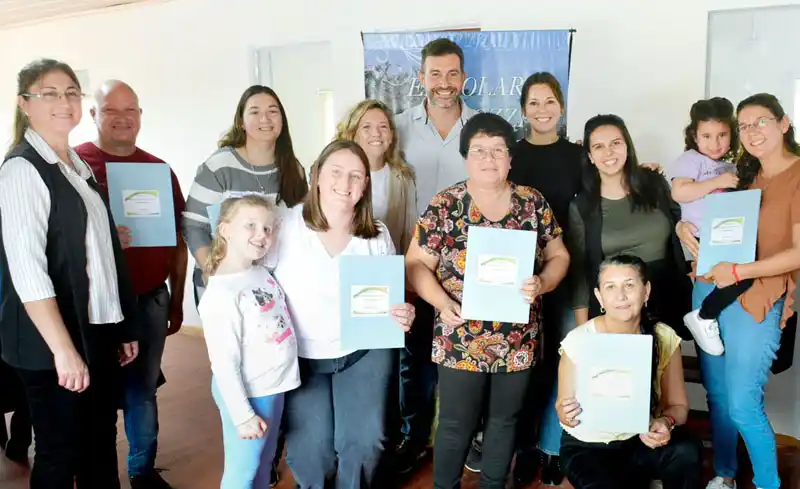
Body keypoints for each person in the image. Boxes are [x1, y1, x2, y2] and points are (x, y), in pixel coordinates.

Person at [406, 112, 570, 489]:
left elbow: (560, 255)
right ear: (466, 156)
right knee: (454, 423)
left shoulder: (532, 203)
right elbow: (416, 264)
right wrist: (440, 302)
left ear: (511, 157)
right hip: (459, 334)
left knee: (506, 420)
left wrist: (543, 282)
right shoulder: (446, 204)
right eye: (479, 149)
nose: (489, 158)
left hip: (517, 336)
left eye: (498, 149)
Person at [0, 58, 139, 489]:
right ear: (26, 104)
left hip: (93, 328)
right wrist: (63, 351)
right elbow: (29, 272)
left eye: (71, 92)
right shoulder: (23, 169)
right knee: (60, 452)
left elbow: (92, 250)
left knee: (98, 440)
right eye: (51, 93)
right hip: (52, 340)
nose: (64, 102)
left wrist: (120, 326)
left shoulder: (75, 165)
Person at [274, 139, 416, 489]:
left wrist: (402, 313)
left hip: (363, 351)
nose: (346, 183)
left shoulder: (376, 235)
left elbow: (389, 299)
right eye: (336, 172)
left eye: (356, 175)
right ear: (317, 176)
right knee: (311, 453)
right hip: (302, 357)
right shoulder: (283, 227)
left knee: (366, 443)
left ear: (365, 185)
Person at [183, 85, 306, 485]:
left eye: (274, 110)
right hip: (232, 282)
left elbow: (300, 229)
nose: (265, 118)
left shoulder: (292, 167)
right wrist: (217, 269)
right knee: (243, 454)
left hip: (267, 288)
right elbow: (194, 224)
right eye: (255, 111)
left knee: (262, 451)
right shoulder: (220, 164)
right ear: (241, 119)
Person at [676, 93, 800, 489]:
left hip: (759, 299)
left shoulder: (798, 176)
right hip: (711, 293)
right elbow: (704, 212)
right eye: (744, 125)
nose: (751, 132)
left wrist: (739, 269)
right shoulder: (745, 176)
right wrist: (682, 228)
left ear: (783, 123)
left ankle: (768, 483)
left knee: (743, 403)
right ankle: (725, 473)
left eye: (760, 121)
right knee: (719, 396)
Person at [74, 79, 187, 489]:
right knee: (94, 394)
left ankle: (141, 471)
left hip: (150, 300)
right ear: (93, 115)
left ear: (140, 116)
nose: (122, 119)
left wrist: (175, 300)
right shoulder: (74, 166)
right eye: (110, 110)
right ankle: (95, 473)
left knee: (142, 390)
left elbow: (177, 240)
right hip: (95, 304)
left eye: (130, 110)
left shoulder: (159, 170)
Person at [393, 36, 478, 473]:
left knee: (472, 356)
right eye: (435, 74)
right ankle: (415, 436)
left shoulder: (483, 128)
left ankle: (473, 439)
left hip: (473, 269)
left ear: (463, 77)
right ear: (421, 78)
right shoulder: (398, 128)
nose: (444, 83)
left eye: (452, 73)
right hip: (417, 264)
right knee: (417, 361)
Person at [557, 254, 701, 489]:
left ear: (646, 291)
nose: (621, 296)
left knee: (686, 450)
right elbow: (562, 408)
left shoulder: (663, 336)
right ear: (599, 296)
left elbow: (679, 406)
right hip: (589, 446)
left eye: (629, 285)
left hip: (641, 438)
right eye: (610, 287)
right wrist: (566, 413)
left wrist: (666, 421)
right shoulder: (579, 341)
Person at [506, 71, 583, 486]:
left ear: (561, 106)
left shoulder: (578, 155)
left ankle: (552, 448)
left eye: (549, 101)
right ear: (523, 110)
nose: (542, 110)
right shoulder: (511, 155)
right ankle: (522, 449)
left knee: (562, 363)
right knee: (524, 367)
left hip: (565, 272)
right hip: (516, 280)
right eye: (533, 103)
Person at [198, 195, 300, 489]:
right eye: (250, 225)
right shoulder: (221, 294)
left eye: (267, 229)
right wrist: (242, 416)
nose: (261, 235)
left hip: (273, 387)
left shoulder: (258, 272)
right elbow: (224, 365)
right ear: (225, 230)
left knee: (262, 465)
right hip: (248, 394)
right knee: (242, 472)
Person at [568, 114, 693, 337]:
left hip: (667, 298)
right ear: (590, 156)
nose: (608, 153)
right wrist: (583, 331)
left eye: (616, 143)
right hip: (619, 308)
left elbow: (685, 224)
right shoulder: (582, 206)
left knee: (666, 368)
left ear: (627, 146)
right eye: (599, 147)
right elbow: (580, 272)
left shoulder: (654, 183)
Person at [669, 97, 749, 357]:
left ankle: (708, 317)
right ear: (695, 135)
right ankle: (704, 316)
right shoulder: (691, 159)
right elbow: (680, 192)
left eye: (722, 135)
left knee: (744, 273)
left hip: (725, 236)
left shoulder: (730, 166)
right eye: (707, 136)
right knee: (740, 275)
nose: (715, 143)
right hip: (698, 237)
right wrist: (718, 182)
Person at [335, 99, 417, 253]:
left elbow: (409, 234)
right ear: (352, 133)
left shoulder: (403, 179)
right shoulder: (335, 177)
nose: (376, 133)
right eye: (366, 127)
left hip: (387, 268)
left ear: (391, 135)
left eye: (383, 127)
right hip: (342, 266)